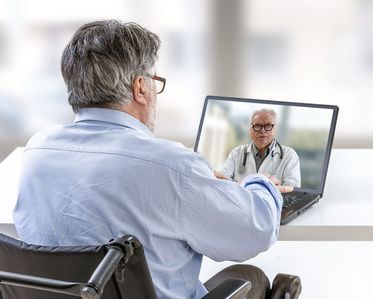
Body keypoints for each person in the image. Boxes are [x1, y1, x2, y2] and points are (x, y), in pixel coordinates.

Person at [13, 20, 300, 298]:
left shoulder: (37, 151)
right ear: (140, 88)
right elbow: (257, 231)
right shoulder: (173, 165)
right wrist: (260, 182)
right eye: (155, 81)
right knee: (251, 276)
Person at [215, 109, 301, 191]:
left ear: (274, 129)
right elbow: (223, 182)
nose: (262, 130)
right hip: (240, 203)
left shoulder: (289, 155)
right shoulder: (236, 153)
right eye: (257, 126)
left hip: (274, 205)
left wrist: (243, 185)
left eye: (268, 126)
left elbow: (292, 190)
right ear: (250, 130)